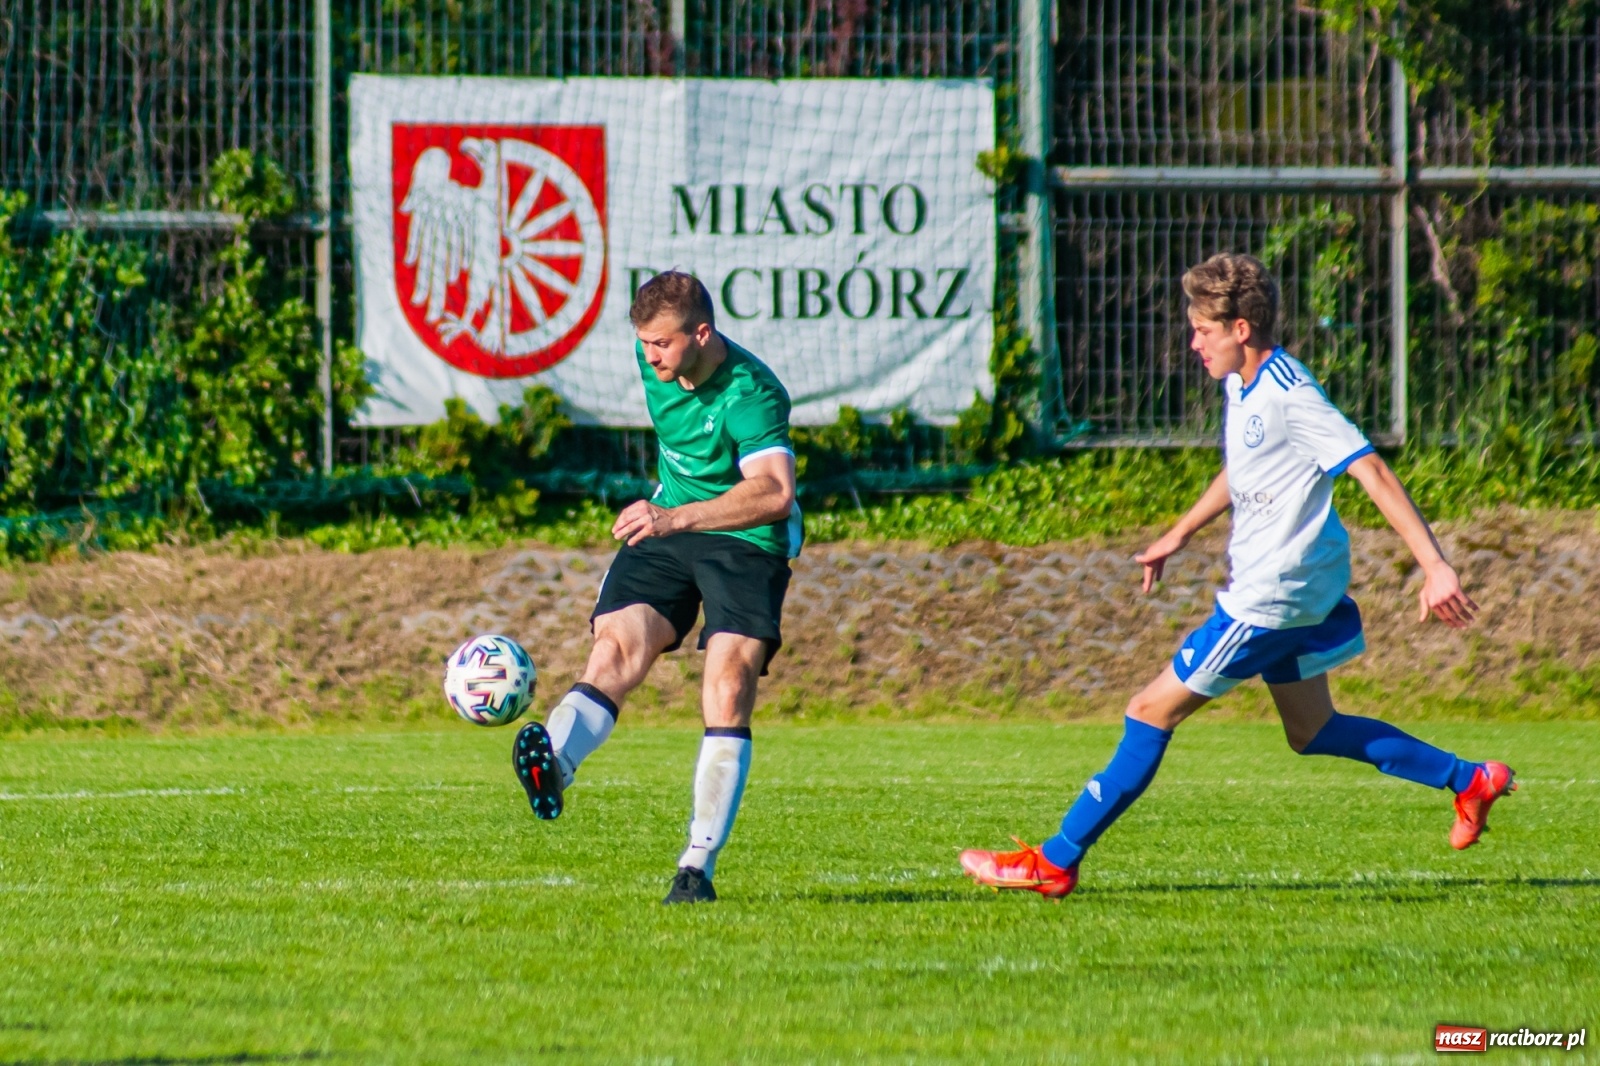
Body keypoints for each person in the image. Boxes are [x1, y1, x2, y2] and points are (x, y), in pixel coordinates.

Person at [959, 252, 1515, 899]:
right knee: (1313, 731)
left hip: (1270, 600)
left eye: (1203, 330)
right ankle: (1470, 780)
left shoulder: (1290, 393)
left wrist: (1435, 565)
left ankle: (1053, 861)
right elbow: (1244, 469)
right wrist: (1179, 531)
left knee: (1148, 711)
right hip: (1305, 596)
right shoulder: (1241, 386)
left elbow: (1370, 469)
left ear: (1240, 329)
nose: (1193, 342)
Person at [512, 271, 803, 904]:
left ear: (702, 333)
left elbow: (775, 494)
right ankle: (553, 768)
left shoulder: (753, 394)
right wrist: (668, 514)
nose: (650, 358)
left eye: (662, 345)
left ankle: (696, 868)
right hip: (669, 521)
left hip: (745, 538)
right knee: (615, 647)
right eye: (643, 345)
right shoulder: (660, 361)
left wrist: (674, 516)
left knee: (727, 683)